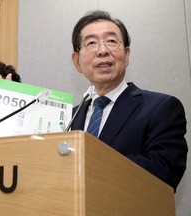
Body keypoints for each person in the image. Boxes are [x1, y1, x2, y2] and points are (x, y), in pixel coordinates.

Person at [69, 10, 187, 191]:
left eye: (111, 41)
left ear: (127, 55)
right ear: (77, 61)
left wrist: (91, 163)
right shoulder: (68, 117)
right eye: (91, 43)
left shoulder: (161, 108)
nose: (103, 51)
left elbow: (165, 173)